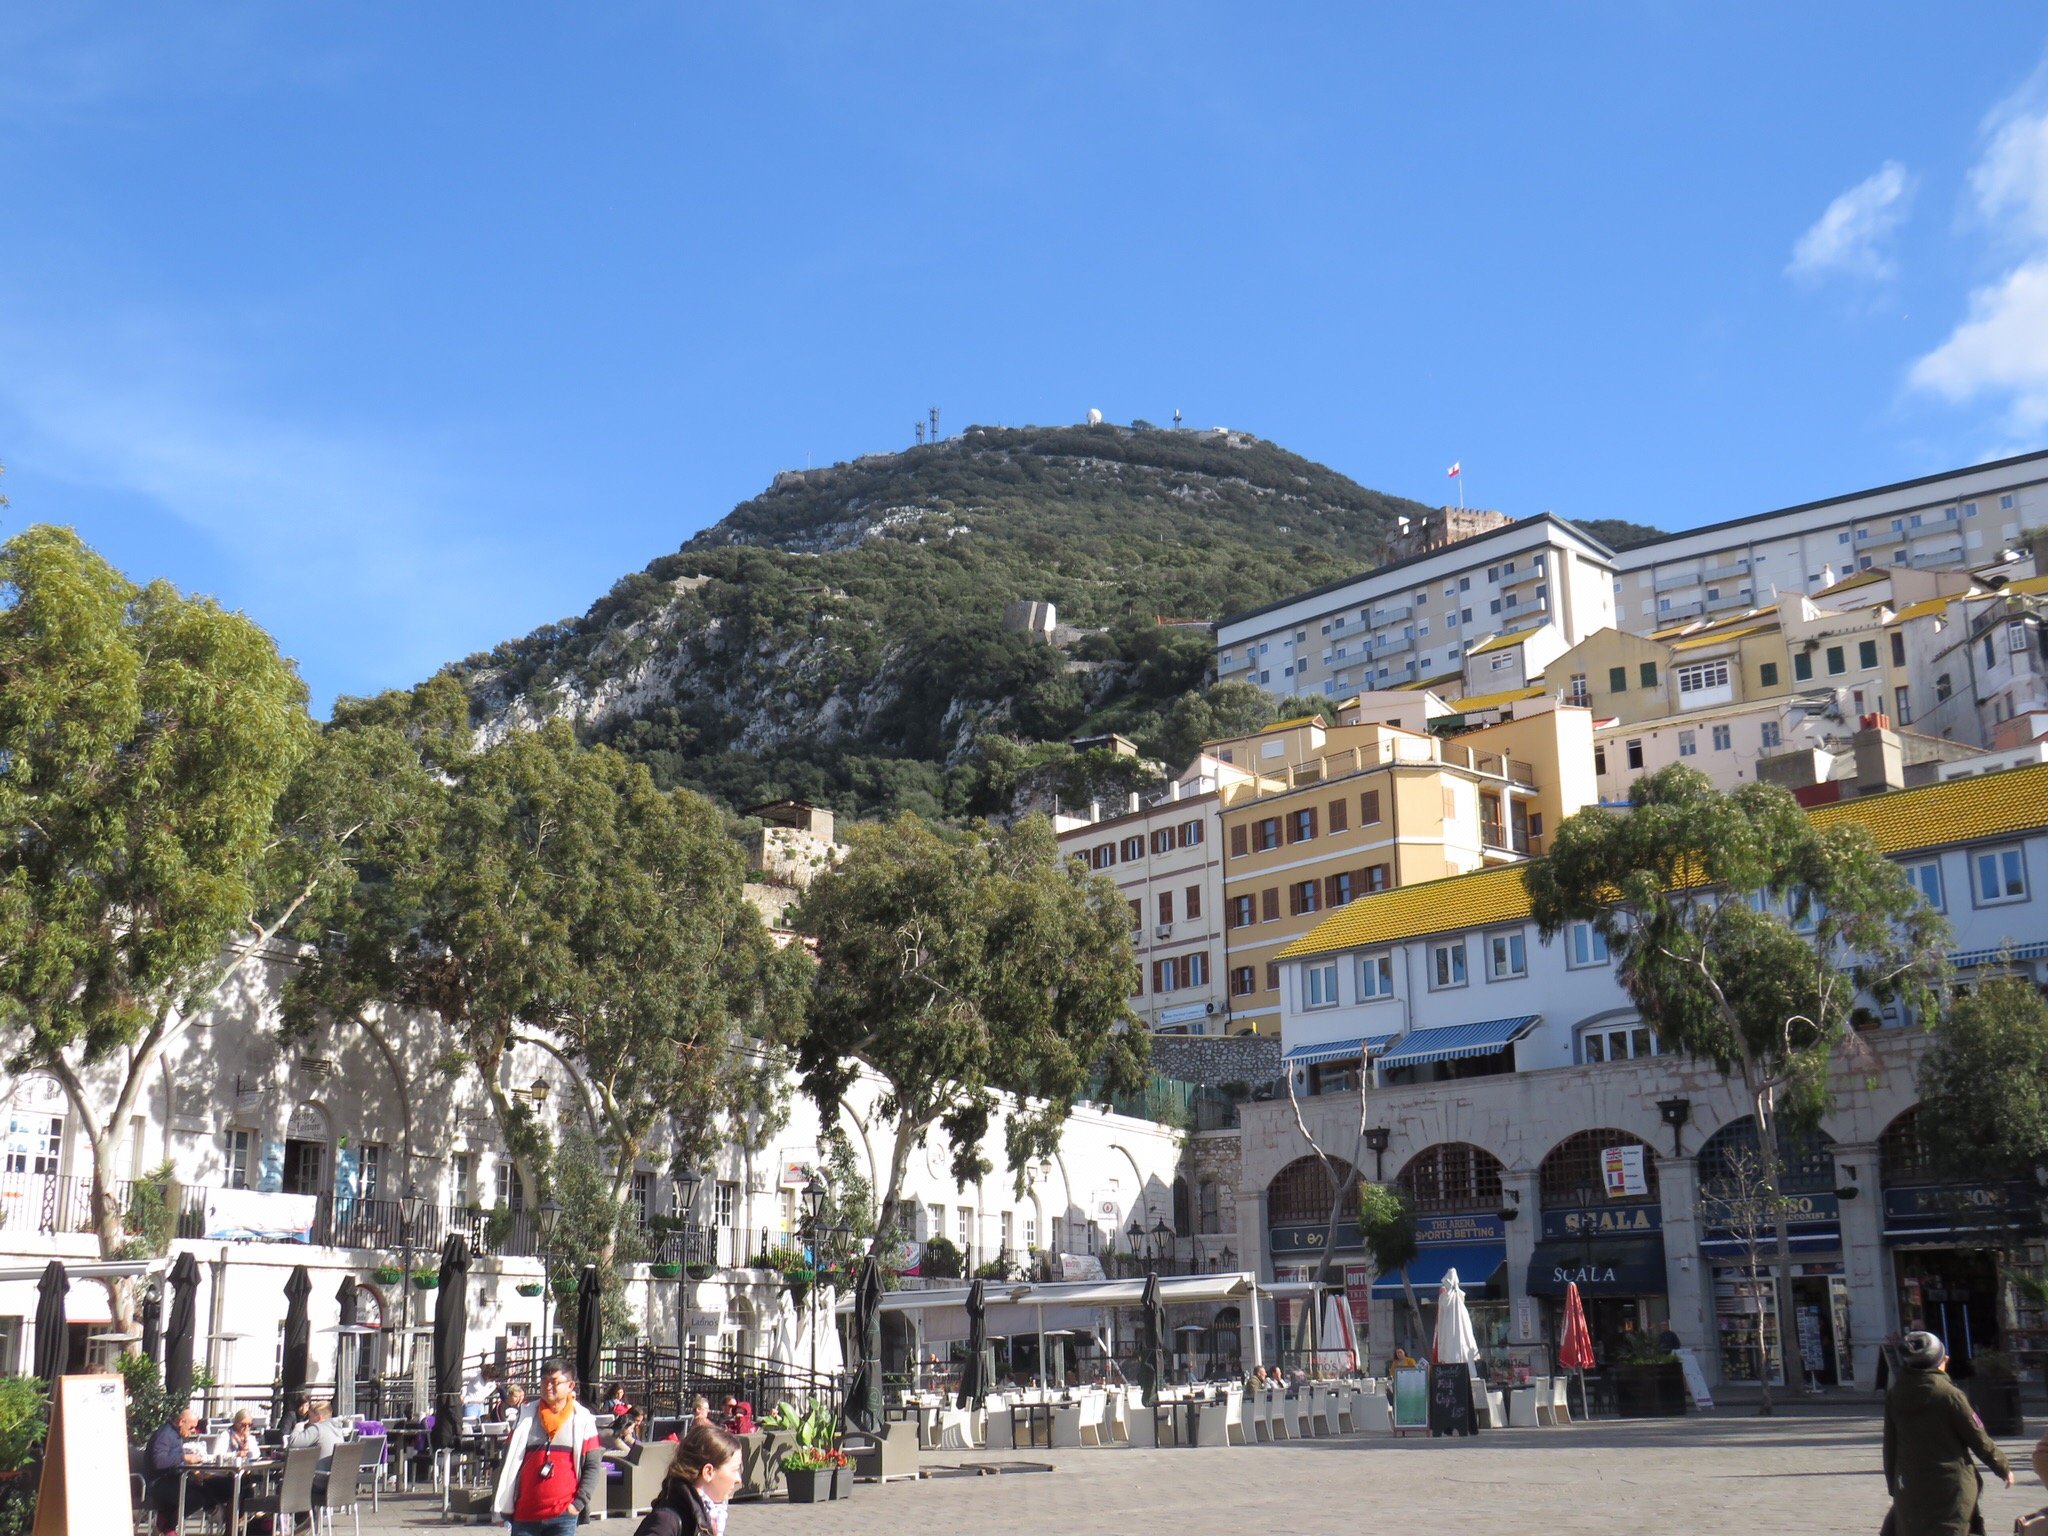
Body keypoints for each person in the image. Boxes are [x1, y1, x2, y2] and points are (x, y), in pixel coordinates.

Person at [1883, 1330, 2012, 1536]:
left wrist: (1894, 1485)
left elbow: (1890, 1445)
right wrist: (2002, 1466)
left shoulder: (1896, 1394)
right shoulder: (1950, 1395)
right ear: (1942, 1361)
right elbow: (1977, 1436)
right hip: (1950, 1486)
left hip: (1911, 1484)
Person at [491, 1357, 603, 1536]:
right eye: (544, 1381)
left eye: (555, 1382)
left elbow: (593, 1465)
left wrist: (578, 1504)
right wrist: (501, 1505)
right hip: (525, 1515)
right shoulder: (525, 1416)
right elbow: (507, 1460)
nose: (548, 1386)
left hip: (563, 1516)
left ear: (570, 1386)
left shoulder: (582, 1420)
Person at [631, 1422, 742, 1536]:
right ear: (708, 1472)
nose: (739, 1479)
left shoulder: (708, 1516)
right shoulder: (668, 1520)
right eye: (735, 1469)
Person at [148, 1405, 230, 1534]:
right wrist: (185, 1457)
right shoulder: (165, 1435)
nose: (193, 1431)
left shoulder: (175, 1434)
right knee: (196, 1497)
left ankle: (166, 1520)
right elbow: (158, 1461)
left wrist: (193, 1471)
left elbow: (174, 1461)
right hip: (158, 1484)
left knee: (205, 1487)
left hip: (171, 1479)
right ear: (181, 1422)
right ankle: (167, 1525)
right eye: (191, 1427)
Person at [286, 1399, 350, 1503]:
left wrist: (298, 1427)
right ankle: (309, 1517)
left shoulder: (317, 1428)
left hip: (320, 1482)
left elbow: (293, 1443)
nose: (308, 1420)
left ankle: (305, 1518)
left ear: (319, 1418)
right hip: (337, 1483)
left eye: (310, 1416)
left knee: (285, 1486)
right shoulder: (337, 1431)